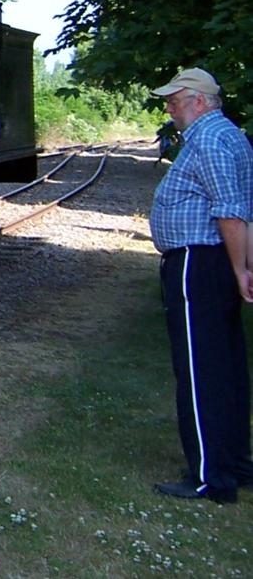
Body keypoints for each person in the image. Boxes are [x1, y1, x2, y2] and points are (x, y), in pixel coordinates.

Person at [146, 66, 253, 504]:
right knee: (225, 367)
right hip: (213, 262)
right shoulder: (230, 135)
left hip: (196, 262)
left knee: (199, 370)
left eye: (176, 99)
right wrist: (241, 266)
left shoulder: (208, 140)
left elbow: (230, 210)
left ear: (201, 101)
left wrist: (240, 267)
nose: (169, 107)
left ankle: (209, 475)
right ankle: (234, 462)